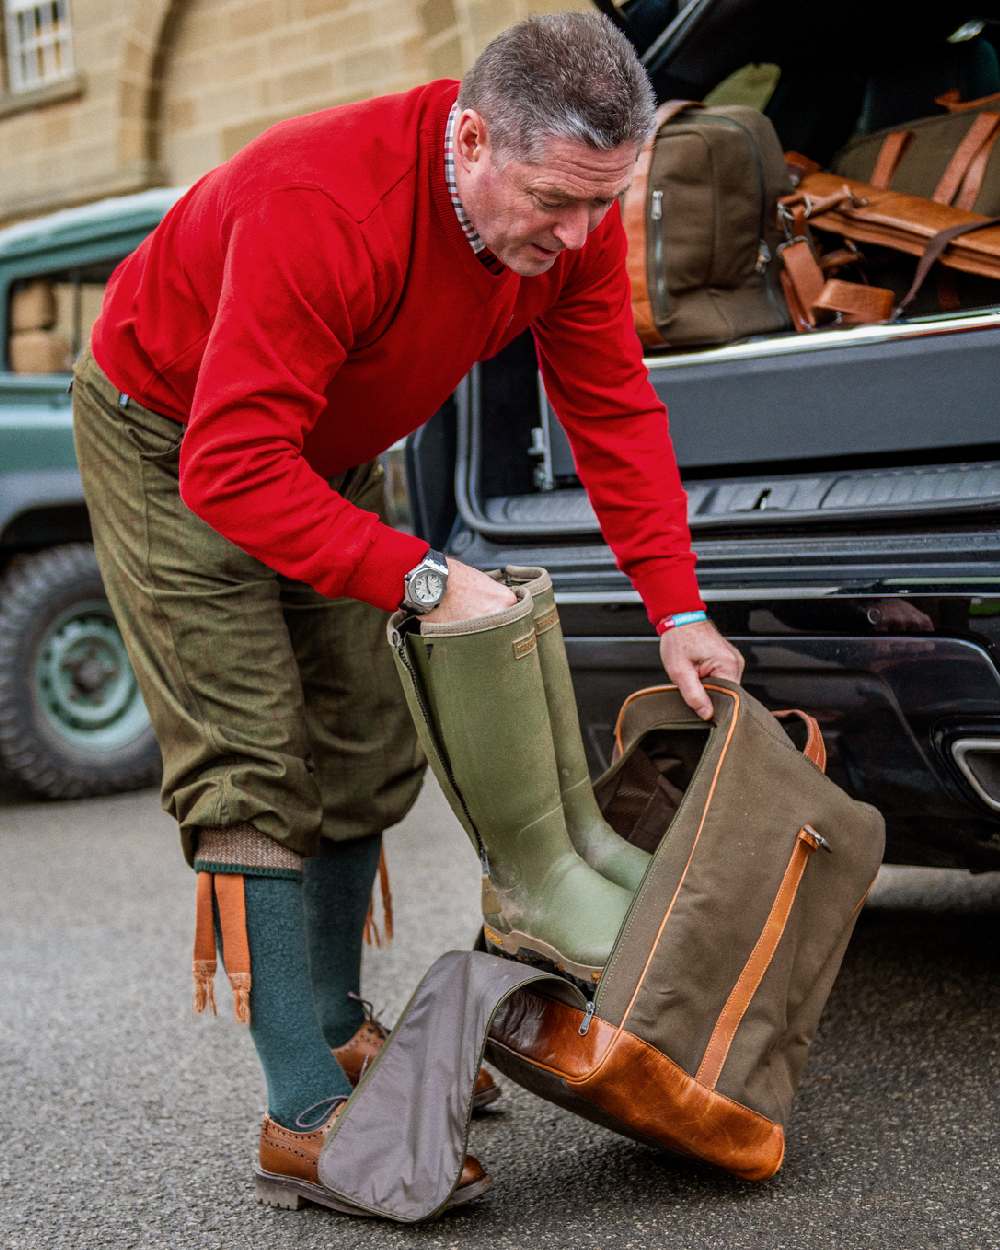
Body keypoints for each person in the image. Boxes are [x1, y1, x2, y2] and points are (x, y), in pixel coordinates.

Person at [71, 10, 742, 1213]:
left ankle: (339, 1028)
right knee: (256, 753)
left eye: (604, 202)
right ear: (473, 138)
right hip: (173, 438)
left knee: (368, 740)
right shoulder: (322, 205)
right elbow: (227, 469)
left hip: (323, 445)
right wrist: (425, 575)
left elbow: (612, 411)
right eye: (555, 200)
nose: (581, 236)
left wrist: (676, 607)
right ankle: (306, 1114)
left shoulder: (561, 227)